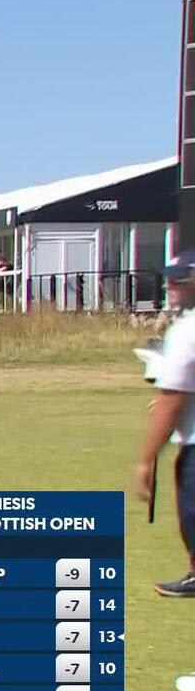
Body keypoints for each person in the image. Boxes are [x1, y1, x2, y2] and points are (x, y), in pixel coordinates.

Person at [133, 251, 195, 597]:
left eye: (179, 278)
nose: (170, 285)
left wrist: (145, 459)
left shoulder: (186, 331)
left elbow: (171, 401)